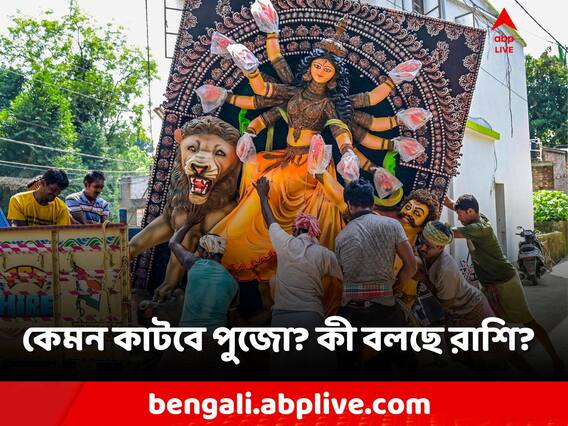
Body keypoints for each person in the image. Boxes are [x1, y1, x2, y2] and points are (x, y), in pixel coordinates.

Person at [205, 11, 420, 314]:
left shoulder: (330, 104)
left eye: (327, 69)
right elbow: (264, 102)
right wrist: (249, 130)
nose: (321, 71)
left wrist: (348, 152)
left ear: (334, 76)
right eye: (317, 65)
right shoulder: (291, 93)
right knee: (254, 171)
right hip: (285, 159)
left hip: (311, 165)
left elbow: (343, 129)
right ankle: (245, 244)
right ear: (308, 69)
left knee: (286, 187)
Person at [445, 194, 564, 371]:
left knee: (528, 322)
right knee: (492, 327)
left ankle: (555, 360)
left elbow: (448, 233)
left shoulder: (480, 228)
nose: (459, 218)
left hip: (506, 282)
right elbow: (459, 207)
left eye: (460, 214)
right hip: (489, 285)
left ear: (470, 211)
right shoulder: (479, 218)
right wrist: (449, 203)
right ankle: (510, 364)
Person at [255, 176, 343, 374]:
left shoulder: (285, 243)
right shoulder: (323, 254)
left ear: (294, 230)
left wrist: (262, 195)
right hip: (312, 318)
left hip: (282, 321)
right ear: (315, 234)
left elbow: (270, 221)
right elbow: (349, 276)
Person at [334, 178, 417, 376]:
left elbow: (342, 275)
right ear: (372, 202)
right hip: (385, 308)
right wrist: (397, 286)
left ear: (349, 205)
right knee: (408, 365)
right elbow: (411, 266)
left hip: (352, 312)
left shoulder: (341, 237)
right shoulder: (392, 226)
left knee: (347, 367)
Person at [158, 207, 239, 377]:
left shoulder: (194, 263)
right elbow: (231, 320)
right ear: (221, 254)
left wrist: (188, 223)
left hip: (186, 339)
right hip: (215, 343)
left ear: (202, 251)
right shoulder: (232, 282)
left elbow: (173, 243)